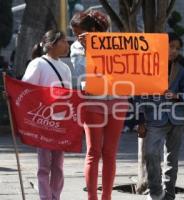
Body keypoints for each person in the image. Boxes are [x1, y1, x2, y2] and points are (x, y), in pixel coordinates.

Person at [70, 10, 128, 200]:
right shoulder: (77, 48)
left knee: (110, 152)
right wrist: (89, 51)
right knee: (94, 151)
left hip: (118, 101)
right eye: (74, 34)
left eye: (78, 32)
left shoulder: (117, 44)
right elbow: (80, 76)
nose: (75, 37)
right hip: (93, 102)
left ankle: (107, 197)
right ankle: (92, 197)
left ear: (93, 29)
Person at [137, 32, 184, 200]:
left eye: (177, 48)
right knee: (151, 154)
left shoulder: (180, 70)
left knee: (172, 159)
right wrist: (140, 120)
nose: (174, 51)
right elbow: (139, 94)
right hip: (153, 118)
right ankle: (155, 192)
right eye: (171, 46)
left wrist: (177, 96)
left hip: (176, 118)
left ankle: (169, 194)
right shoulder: (148, 67)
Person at [22, 30, 71, 200]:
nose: (67, 45)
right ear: (51, 45)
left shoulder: (65, 67)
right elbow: (26, 89)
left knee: (58, 165)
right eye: (63, 41)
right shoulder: (38, 64)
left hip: (60, 121)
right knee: (44, 165)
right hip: (43, 121)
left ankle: (55, 196)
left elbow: (68, 95)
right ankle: (45, 197)